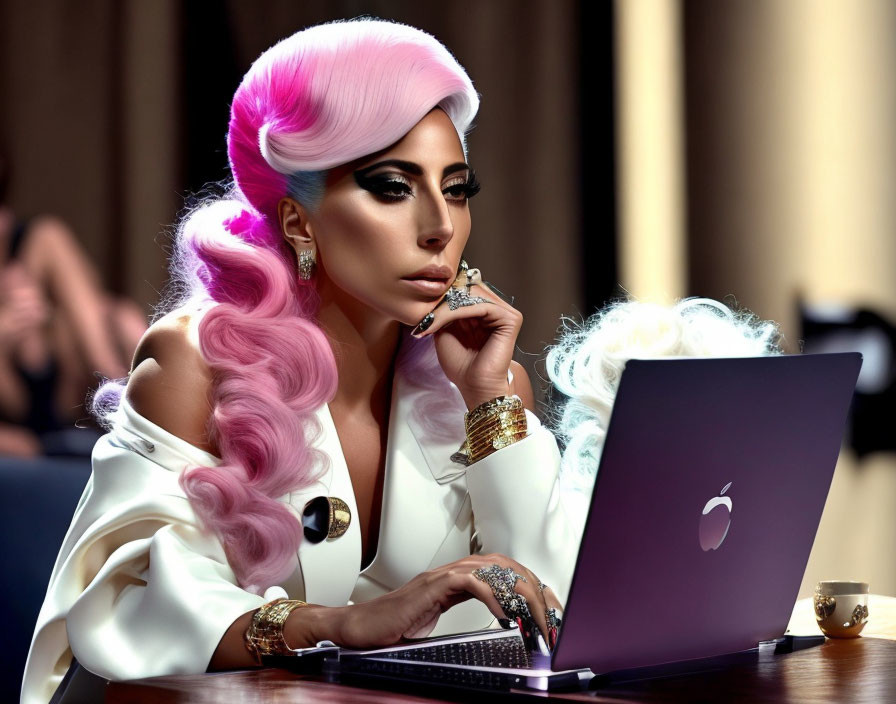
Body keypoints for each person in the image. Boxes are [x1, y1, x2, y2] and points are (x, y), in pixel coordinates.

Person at [22, 18, 578, 704]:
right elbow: (129, 599)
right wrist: (339, 625)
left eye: (457, 188)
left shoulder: (482, 384)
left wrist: (490, 398)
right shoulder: (194, 364)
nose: (440, 226)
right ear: (297, 222)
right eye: (392, 186)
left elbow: (551, 614)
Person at [0, 153, 147, 457]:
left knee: (120, 316)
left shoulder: (29, 250)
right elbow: (17, 407)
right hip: (33, 405)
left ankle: (121, 388)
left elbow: (89, 294)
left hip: (65, 375)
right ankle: (118, 391)